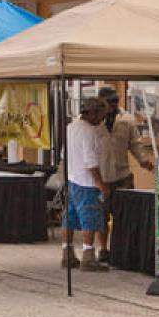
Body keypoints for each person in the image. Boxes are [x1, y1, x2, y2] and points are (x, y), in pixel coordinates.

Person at [95, 86, 154, 262]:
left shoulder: (127, 119)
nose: (114, 104)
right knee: (100, 215)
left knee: (124, 216)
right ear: (101, 101)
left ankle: (121, 250)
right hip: (101, 175)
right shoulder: (93, 120)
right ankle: (103, 249)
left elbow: (135, 143)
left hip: (122, 175)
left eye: (116, 100)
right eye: (110, 101)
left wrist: (144, 160)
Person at [61, 97, 111, 272]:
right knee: (89, 218)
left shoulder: (70, 128)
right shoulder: (88, 131)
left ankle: (67, 253)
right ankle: (88, 257)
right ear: (93, 113)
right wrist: (100, 183)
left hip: (72, 179)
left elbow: (63, 155)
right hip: (86, 182)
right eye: (101, 115)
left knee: (70, 216)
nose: (102, 120)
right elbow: (90, 161)